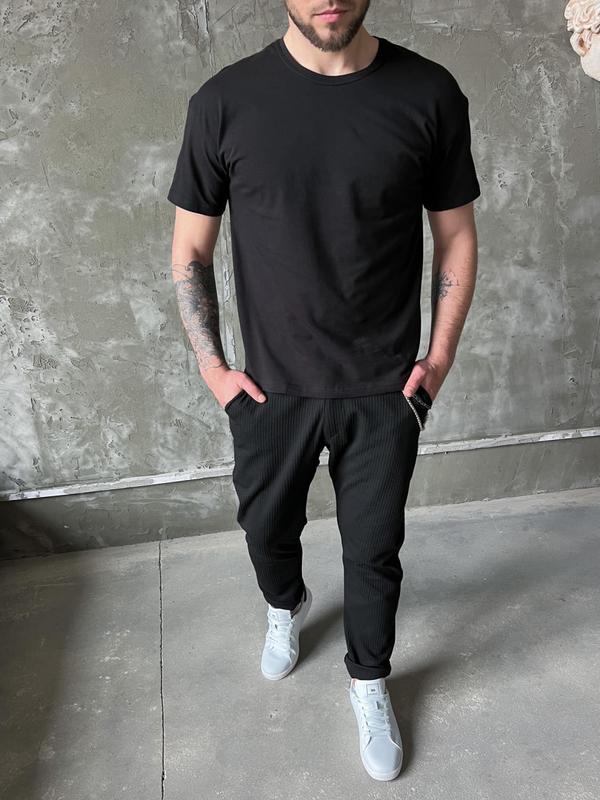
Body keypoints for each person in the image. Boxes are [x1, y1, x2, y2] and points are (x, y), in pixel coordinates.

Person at [167, 0, 480, 783]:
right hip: (270, 392)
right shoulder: (224, 102)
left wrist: (438, 360)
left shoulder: (428, 93)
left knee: (374, 551)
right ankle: (287, 605)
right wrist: (214, 370)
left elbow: (456, 233)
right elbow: (190, 248)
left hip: (384, 389)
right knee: (265, 530)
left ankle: (369, 679)